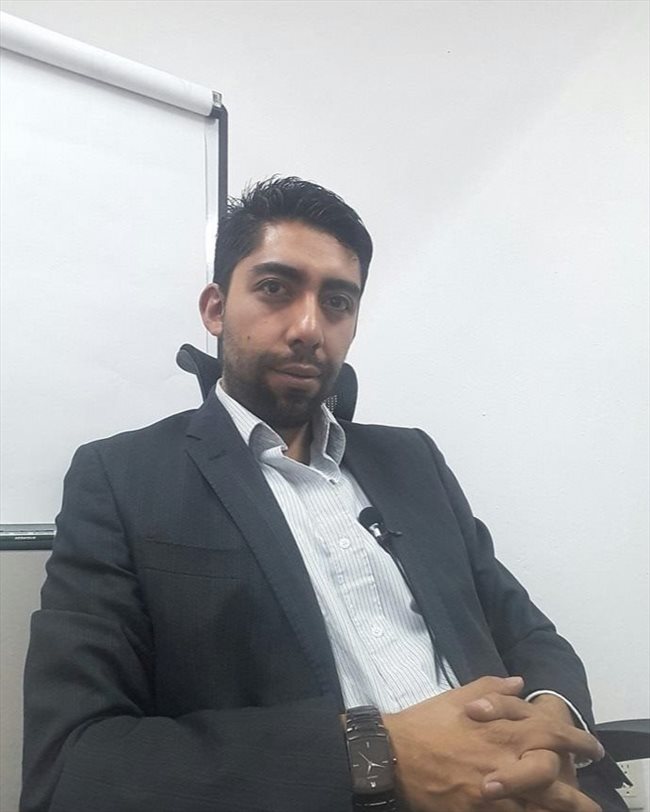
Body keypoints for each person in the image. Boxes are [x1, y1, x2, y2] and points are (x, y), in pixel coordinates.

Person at [21, 177, 624, 812]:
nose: (309, 327)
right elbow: (74, 764)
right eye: (275, 289)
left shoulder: (412, 461)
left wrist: (549, 720)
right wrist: (375, 757)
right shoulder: (123, 479)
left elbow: (527, 633)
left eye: (337, 302)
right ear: (216, 309)